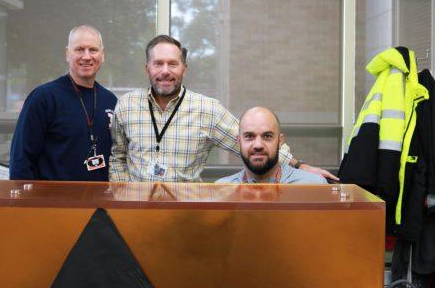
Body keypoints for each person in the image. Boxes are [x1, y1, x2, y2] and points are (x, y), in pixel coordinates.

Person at [109, 35, 337, 183]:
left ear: (184, 69)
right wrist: (122, 196)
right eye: (158, 63)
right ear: (147, 68)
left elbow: (251, 142)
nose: (165, 71)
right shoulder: (127, 106)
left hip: (186, 215)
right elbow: (117, 156)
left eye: (173, 64)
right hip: (135, 211)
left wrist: (301, 166)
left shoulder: (207, 109)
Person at [9, 25, 117, 181]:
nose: (87, 56)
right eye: (79, 49)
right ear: (68, 54)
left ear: (102, 55)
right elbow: (21, 159)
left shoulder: (110, 100)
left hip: (99, 201)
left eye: (93, 50)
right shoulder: (43, 98)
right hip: (54, 202)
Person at [216, 107, 328, 184]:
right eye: (249, 136)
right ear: (239, 141)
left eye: (267, 136)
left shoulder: (313, 186)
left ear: (280, 141)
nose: (258, 145)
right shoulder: (222, 190)